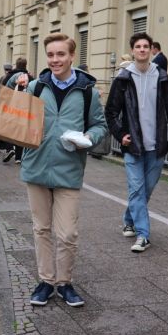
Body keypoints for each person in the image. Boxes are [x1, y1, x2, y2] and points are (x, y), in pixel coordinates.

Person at [14, 33, 107, 307]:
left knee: (67, 233)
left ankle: (65, 283)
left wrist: (88, 138)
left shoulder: (87, 91)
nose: (55, 60)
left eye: (61, 54)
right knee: (41, 229)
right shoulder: (36, 87)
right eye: (51, 55)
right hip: (37, 166)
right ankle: (46, 281)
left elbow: (100, 125)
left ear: (71, 56)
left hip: (69, 169)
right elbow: (19, 119)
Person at [104, 32, 168, 253]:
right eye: (138, 46)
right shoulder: (123, 79)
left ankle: (129, 219)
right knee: (137, 190)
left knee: (144, 191)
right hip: (133, 146)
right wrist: (120, 134)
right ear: (132, 51)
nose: (142, 49)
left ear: (151, 50)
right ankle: (143, 235)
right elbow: (111, 112)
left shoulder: (163, 78)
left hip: (157, 146)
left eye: (145, 46)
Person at [2, 57, 33, 164]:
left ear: (16, 64)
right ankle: (18, 158)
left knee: (8, 128)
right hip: (24, 107)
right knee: (20, 131)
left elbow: (3, 89)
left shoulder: (9, 75)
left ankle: (10, 148)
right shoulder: (29, 76)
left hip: (11, 106)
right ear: (26, 65)